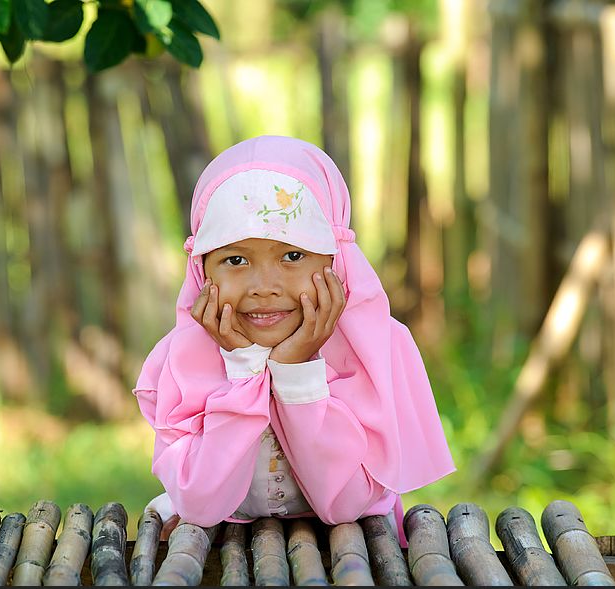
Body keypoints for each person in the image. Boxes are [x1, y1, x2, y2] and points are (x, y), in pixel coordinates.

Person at [132, 135, 454, 547]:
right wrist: (244, 367)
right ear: (201, 269)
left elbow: (345, 505)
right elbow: (200, 504)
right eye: (235, 259)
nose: (265, 287)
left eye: (293, 256)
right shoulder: (182, 359)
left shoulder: (372, 352)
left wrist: (297, 373)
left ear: (335, 257)